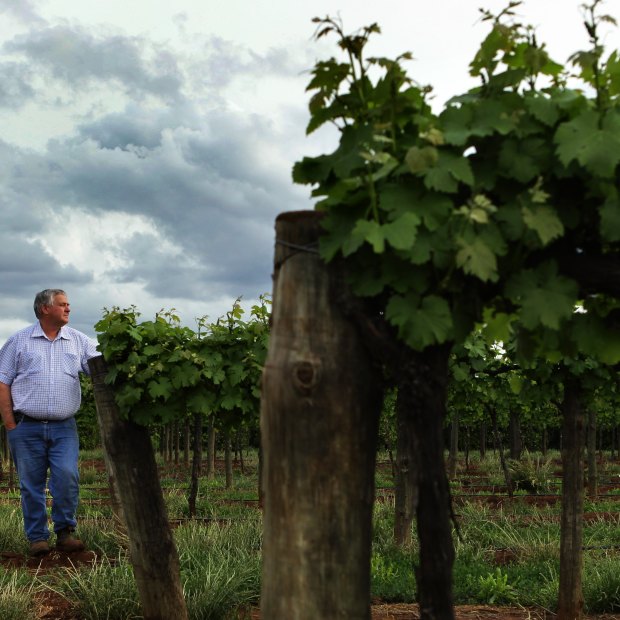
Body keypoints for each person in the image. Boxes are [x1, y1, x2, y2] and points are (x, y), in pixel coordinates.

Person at [0, 289, 99, 557]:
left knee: (67, 477)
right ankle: (37, 539)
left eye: (68, 304)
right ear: (45, 309)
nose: (68, 309)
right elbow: (3, 382)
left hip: (64, 426)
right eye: (63, 304)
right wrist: (10, 424)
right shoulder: (19, 341)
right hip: (26, 426)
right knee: (31, 485)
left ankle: (65, 533)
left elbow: (100, 369)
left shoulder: (79, 340)